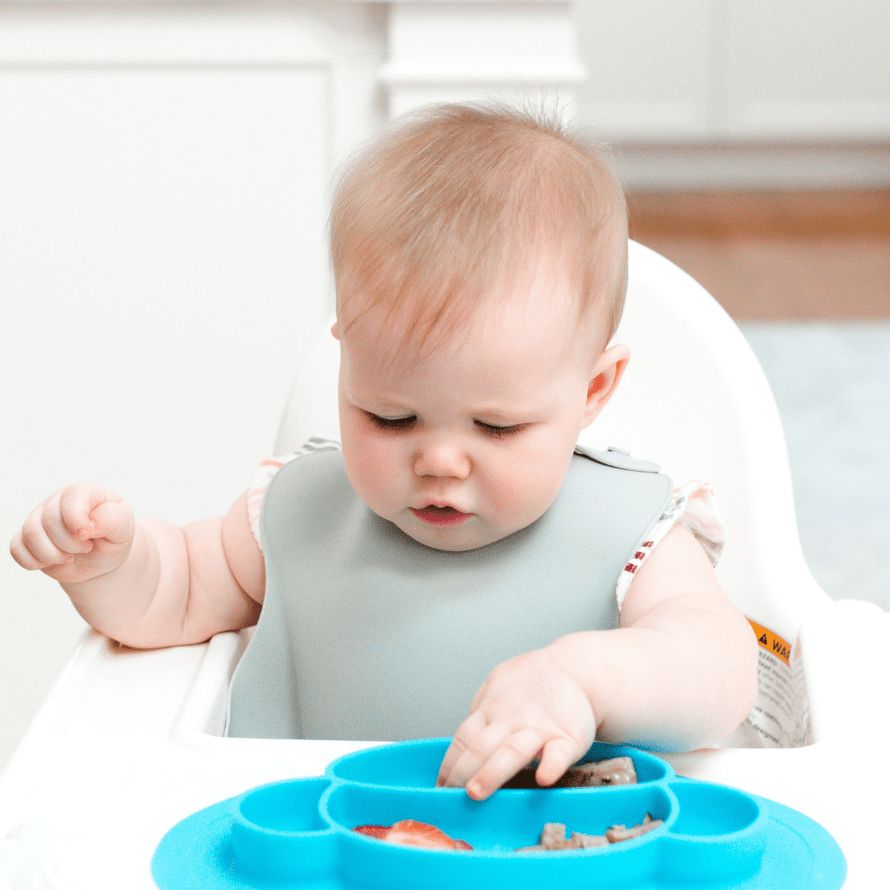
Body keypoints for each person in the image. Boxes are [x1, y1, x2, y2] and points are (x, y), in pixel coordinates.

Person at [9, 102, 757, 802]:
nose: (439, 462)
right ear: (348, 363)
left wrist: (586, 681)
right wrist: (115, 564)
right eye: (391, 416)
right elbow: (173, 597)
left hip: (559, 858)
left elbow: (721, 669)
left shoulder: (631, 534)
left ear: (594, 388)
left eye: (495, 428)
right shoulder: (302, 512)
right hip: (322, 847)